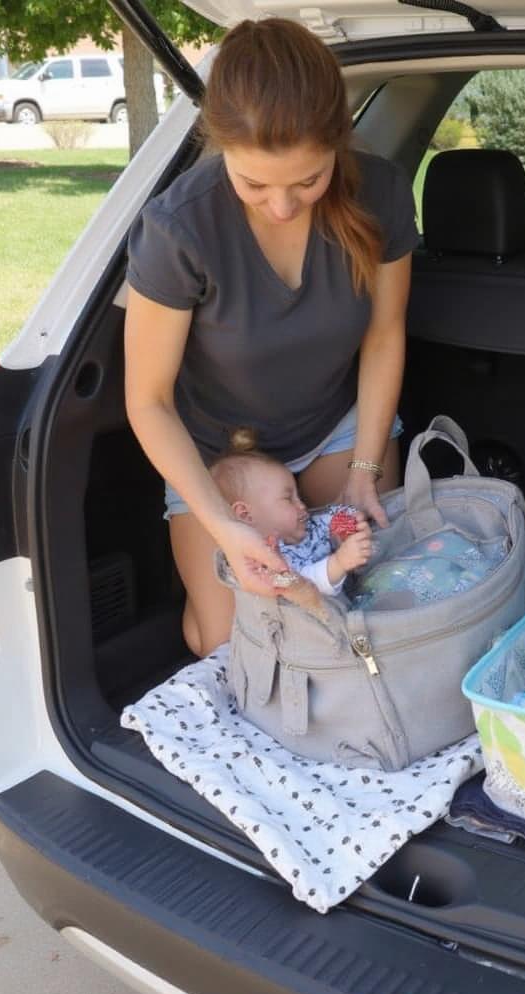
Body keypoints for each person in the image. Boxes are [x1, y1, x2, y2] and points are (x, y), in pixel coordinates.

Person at [123, 18, 419, 656]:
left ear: (338, 146)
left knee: (375, 607)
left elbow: (384, 334)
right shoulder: (178, 228)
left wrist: (367, 467)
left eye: (307, 182)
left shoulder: (382, 194)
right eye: (253, 184)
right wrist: (226, 526)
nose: (281, 205)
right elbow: (147, 400)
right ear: (221, 147)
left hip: (337, 432)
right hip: (218, 460)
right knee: (232, 642)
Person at [209, 429, 374, 611]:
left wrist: (351, 523)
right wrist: (340, 562)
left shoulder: (307, 526)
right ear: (246, 515)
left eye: (299, 496)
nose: (302, 505)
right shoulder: (264, 560)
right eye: (289, 499)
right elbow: (302, 586)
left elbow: (332, 517)